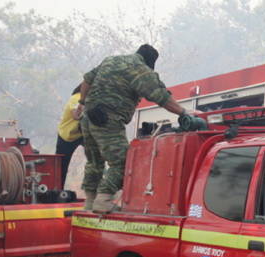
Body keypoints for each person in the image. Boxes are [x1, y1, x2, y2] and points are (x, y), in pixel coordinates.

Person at [80, 44, 188, 213]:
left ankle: (90, 202)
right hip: (108, 119)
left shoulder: (111, 60)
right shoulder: (140, 69)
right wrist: (184, 113)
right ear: (150, 62)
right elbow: (161, 97)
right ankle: (104, 199)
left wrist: (82, 103)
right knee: (124, 161)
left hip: (88, 118)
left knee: (94, 162)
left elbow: (86, 81)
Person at [55, 85, 84, 188]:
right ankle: (57, 190)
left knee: (96, 157)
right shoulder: (76, 98)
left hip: (82, 134)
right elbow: (76, 115)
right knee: (61, 166)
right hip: (67, 136)